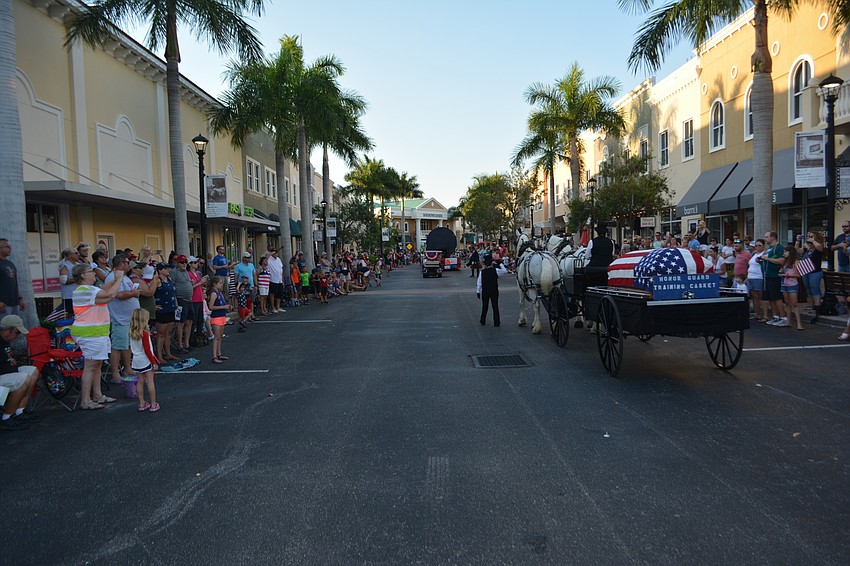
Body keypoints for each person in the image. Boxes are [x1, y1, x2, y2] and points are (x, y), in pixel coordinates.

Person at [70, 262, 123, 410]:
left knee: (97, 364)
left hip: (97, 333)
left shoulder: (90, 290)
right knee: (90, 365)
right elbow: (110, 294)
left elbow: (104, 293)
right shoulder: (84, 290)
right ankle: (85, 400)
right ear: (82, 275)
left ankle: (97, 394)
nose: (94, 273)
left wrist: (113, 280)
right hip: (89, 334)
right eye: (91, 271)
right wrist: (118, 279)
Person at [104, 255, 141, 385]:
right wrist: (133, 294)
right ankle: (115, 373)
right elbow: (118, 295)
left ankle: (127, 368)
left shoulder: (124, 277)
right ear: (121, 263)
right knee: (117, 347)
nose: (129, 264)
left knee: (127, 345)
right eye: (127, 262)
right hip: (119, 319)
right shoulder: (113, 277)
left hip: (128, 318)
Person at [0, 315, 40, 431]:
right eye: (17, 333)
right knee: (23, 379)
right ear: (7, 330)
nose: (18, 336)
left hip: (6, 373)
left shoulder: (5, 340)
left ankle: (19, 411)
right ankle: (6, 417)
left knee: (33, 371)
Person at [129, 308, 160, 412]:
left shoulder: (132, 333)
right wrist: (153, 362)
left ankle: (141, 403)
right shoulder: (145, 333)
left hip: (136, 360)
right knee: (150, 381)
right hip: (145, 359)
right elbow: (147, 350)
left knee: (140, 382)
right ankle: (153, 403)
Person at [796, 230, 825, 319]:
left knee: (815, 290)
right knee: (808, 290)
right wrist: (797, 241)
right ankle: (811, 306)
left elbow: (819, 247)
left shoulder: (818, 249)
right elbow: (797, 250)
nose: (809, 238)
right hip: (806, 271)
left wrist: (812, 240)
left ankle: (817, 307)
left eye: (812, 236)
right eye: (809, 236)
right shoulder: (807, 249)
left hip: (815, 272)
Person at [153, 262, 178, 361]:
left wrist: (176, 303)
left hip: (171, 308)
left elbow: (173, 292)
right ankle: (159, 356)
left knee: (168, 332)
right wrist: (153, 305)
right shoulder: (157, 281)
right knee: (161, 333)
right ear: (160, 270)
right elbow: (151, 293)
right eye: (166, 268)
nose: (168, 270)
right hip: (162, 309)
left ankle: (168, 353)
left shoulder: (169, 280)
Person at [761, 231, 787, 326]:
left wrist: (767, 259)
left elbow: (781, 260)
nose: (765, 239)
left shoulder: (778, 247)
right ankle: (775, 316)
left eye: (766, 237)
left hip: (774, 275)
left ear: (773, 237)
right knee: (770, 297)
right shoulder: (769, 249)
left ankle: (783, 316)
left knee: (777, 297)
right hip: (767, 275)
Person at [170, 255, 194, 353]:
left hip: (189, 300)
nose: (184, 264)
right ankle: (180, 345)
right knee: (180, 322)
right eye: (182, 262)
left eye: (185, 262)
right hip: (180, 300)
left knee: (189, 321)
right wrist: (175, 300)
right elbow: (172, 286)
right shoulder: (174, 272)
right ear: (178, 263)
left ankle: (186, 343)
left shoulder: (186, 272)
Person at [476, 255, 508, 326]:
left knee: (485, 306)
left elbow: (479, 283)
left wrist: (478, 291)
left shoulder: (482, 272)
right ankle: (496, 322)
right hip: (494, 290)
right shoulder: (495, 271)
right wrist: (500, 263)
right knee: (495, 306)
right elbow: (505, 271)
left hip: (485, 290)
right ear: (491, 263)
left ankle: (483, 320)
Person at [779, 246, 804, 330]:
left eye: (786, 252)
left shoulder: (795, 262)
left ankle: (799, 323)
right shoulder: (784, 262)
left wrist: (789, 275)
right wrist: (781, 273)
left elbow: (799, 275)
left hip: (792, 284)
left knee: (794, 303)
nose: (784, 253)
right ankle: (788, 321)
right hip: (784, 283)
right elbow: (781, 271)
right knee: (787, 302)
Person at [207, 276, 231, 363]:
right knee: (216, 337)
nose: (221, 285)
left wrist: (226, 307)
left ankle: (219, 354)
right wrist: (223, 307)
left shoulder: (219, 293)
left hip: (222, 315)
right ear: (214, 284)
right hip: (216, 316)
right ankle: (214, 356)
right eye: (220, 283)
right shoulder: (214, 293)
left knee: (220, 336)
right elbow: (211, 306)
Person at [0, 239, 26, 317]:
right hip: (3, 304)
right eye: (7, 246)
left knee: (14, 327)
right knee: (5, 327)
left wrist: (20, 298)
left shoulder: (10, 263)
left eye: (10, 246)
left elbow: (15, 282)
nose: (10, 248)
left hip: (15, 303)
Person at [59, 247, 82, 317]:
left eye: (78, 252)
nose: (78, 254)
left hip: (78, 294)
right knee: (70, 314)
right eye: (76, 253)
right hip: (69, 296)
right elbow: (63, 280)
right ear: (69, 256)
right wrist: (77, 279)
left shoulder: (78, 265)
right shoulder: (65, 266)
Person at [747, 240, 767, 321]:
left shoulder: (764, 254)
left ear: (763, 246)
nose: (758, 247)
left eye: (759, 245)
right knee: (754, 296)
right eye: (756, 245)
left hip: (758, 277)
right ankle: (757, 314)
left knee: (760, 295)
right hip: (751, 276)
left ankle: (763, 314)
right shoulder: (754, 254)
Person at [266, 247, 285, 313]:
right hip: (273, 279)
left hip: (279, 279)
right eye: (274, 253)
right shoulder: (269, 259)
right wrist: (269, 254)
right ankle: (273, 307)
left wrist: (283, 280)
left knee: (279, 294)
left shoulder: (279, 259)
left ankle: (278, 306)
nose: (275, 254)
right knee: (272, 294)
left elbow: (281, 270)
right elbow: (265, 262)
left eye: (276, 252)